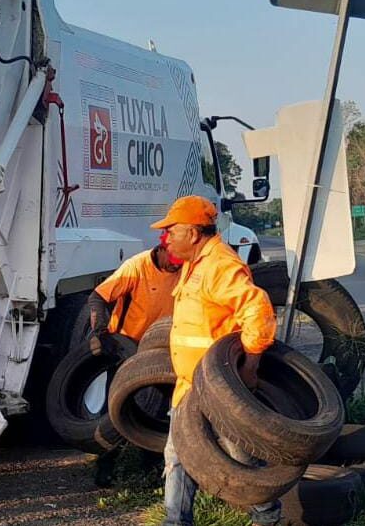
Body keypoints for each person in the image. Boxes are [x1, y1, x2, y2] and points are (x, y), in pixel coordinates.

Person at [151, 195, 278, 526]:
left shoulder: (220, 264)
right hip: (189, 387)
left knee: (239, 455)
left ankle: (267, 515)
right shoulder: (196, 264)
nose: (166, 238)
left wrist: (250, 366)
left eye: (172, 231)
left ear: (193, 233)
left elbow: (258, 311)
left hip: (219, 386)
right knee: (178, 455)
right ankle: (175, 522)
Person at [87, 236, 183, 487]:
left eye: (180, 261)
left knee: (157, 410)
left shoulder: (186, 268)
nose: (176, 266)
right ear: (161, 249)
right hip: (127, 349)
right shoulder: (137, 266)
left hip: (162, 351)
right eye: (172, 261)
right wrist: (100, 332)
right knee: (116, 409)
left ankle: (150, 468)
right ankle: (106, 465)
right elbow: (98, 297)